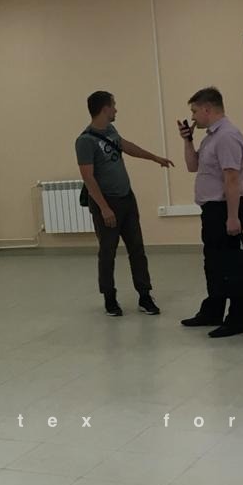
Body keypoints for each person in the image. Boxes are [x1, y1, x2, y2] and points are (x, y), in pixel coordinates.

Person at [76, 90, 173, 317]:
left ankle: (145, 295)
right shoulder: (85, 141)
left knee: (137, 249)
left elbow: (127, 146)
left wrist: (154, 158)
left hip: (127, 199)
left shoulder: (111, 130)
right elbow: (88, 177)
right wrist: (104, 208)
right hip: (107, 203)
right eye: (113, 105)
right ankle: (110, 298)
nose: (116, 109)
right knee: (107, 252)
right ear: (105, 109)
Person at [179, 86, 243, 337]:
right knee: (214, 264)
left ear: (207, 109)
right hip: (212, 210)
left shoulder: (227, 136)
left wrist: (232, 217)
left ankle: (237, 319)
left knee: (230, 265)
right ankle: (213, 311)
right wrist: (188, 140)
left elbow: (231, 178)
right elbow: (192, 166)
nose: (193, 117)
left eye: (194, 111)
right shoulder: (210, 137)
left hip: (224, 209)